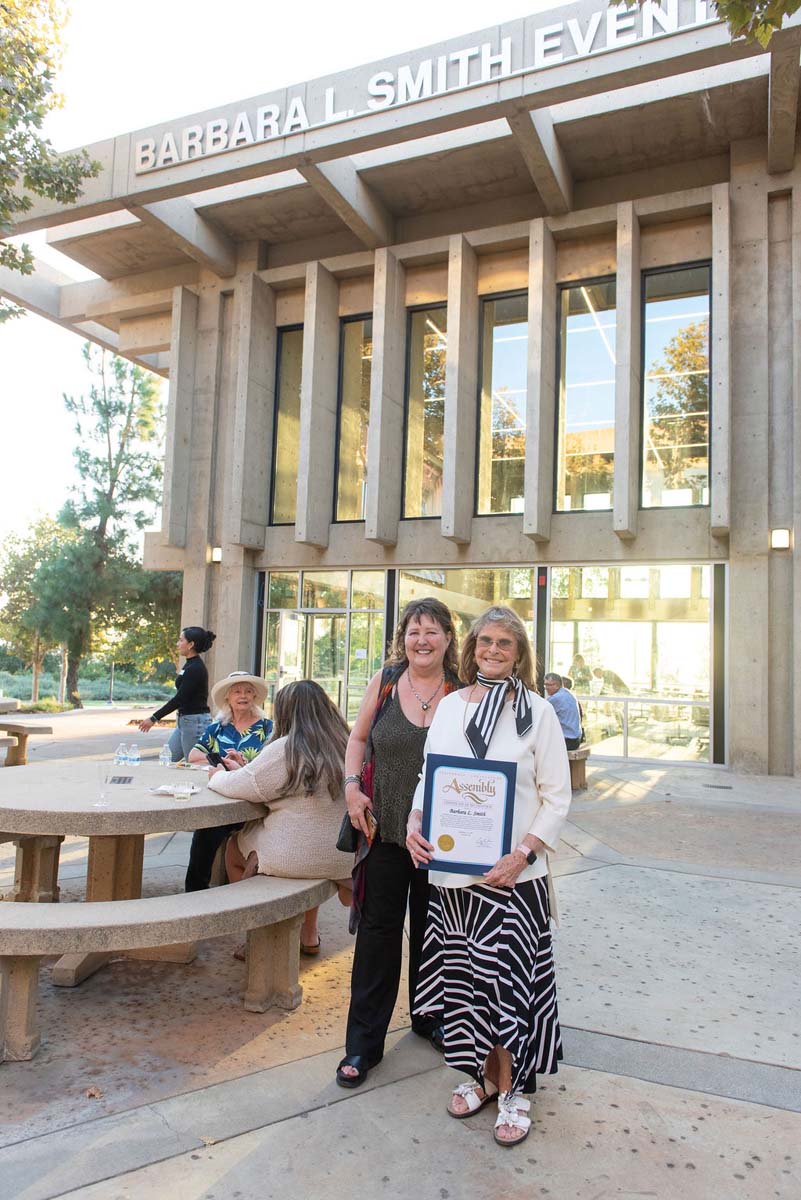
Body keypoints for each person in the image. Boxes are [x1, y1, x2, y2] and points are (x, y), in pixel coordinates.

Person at [407, 606, 571, 1148]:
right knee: (467, 983)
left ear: (520, 652)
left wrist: (523, 853)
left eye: (506, 643)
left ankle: (514, 1088)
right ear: (472, 647)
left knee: (510, 986)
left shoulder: (538, 713)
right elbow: (432, 775)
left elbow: (556, 797)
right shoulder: (452, 706)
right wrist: (414, 820)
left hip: (513, 879)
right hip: (455, 877)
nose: (494, 651)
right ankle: (481, 1078)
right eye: (486, 642)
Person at [336, 598, 461, 1089]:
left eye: (432, 631)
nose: (422, 640)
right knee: (378, 937)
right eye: (414, 631)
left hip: (441, 840)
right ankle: (363, 1045)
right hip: (384, 830)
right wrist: (350, 788)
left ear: (449, 639)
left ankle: (430, 1018)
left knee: (437, 934)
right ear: (402, 639)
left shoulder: (463, 689)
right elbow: (358, 738)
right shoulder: (386, 681)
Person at [209, 680, 353, 954]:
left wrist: (219, 776)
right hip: (341, 857)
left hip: (293, 856)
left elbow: (240, 786)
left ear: (286, 712)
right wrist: (248, 768)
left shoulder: (287, 748)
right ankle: (309, 934)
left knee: (233, 848)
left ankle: (255, 931)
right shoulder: (345, 744)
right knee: (311, 847)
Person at [184, 671, 273, 893]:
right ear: (228, 698)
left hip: (252, 800)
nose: (243, 696)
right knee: (205, 829)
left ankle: (241, 895)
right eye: (237, 691)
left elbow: (272, 765)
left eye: (248, 691)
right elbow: (193, 756)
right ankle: (195, 892)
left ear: (255, 697)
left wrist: (244, 766)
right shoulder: (218, 727)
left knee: (217, 829)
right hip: (221, 796)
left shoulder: (267, 728)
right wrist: (222, 761)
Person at [138, 626, 216, 759]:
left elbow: (180, 699)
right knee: (168, 759)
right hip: (184, 721)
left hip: (195, 723)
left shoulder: (195, 668)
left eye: (181, 640)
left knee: (194, 763)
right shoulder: (190, 665)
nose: (177, 644)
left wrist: (154, 718)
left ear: (191, 644)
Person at [543, 672, 583, 751]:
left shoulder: (556, 698)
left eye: (549, 685)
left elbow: (541, 715)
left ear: (557, 685)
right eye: (545, 685)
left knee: (535, 746)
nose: (546, 688)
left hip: (567, 741)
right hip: (576, 739)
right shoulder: (568, 693)